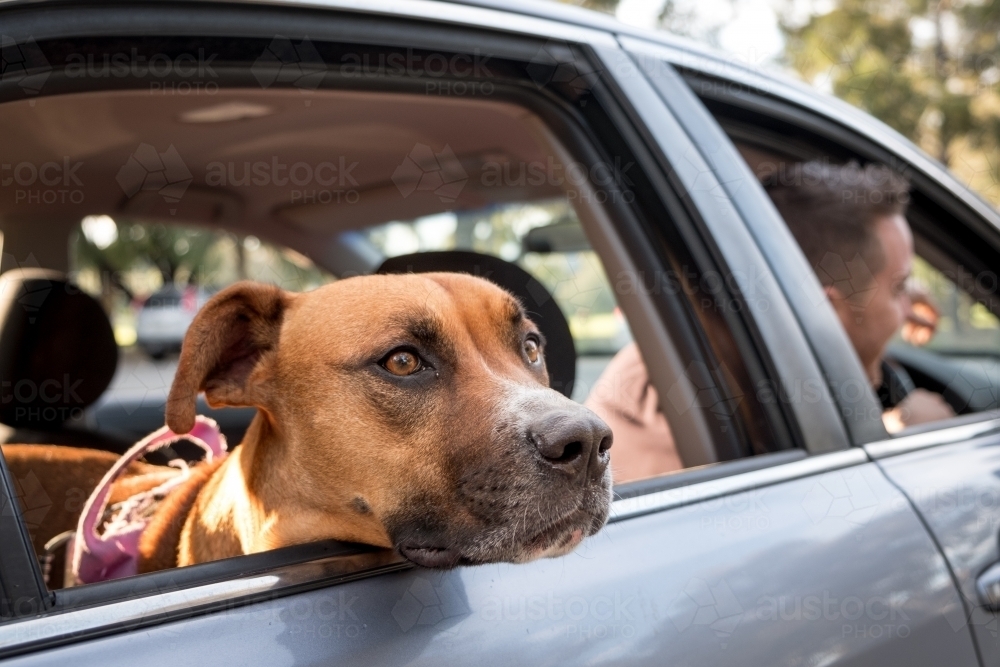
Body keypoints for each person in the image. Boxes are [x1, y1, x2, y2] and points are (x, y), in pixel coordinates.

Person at [587, 161, 954, 483]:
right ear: (826, 310)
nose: (910, 309)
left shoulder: (692, 350)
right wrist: (904, 446)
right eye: (900, 287)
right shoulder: (680, 406)